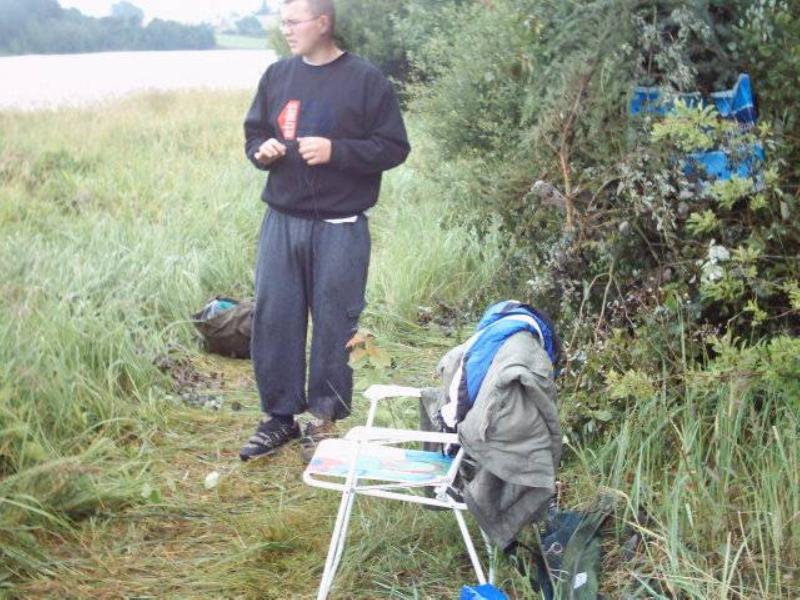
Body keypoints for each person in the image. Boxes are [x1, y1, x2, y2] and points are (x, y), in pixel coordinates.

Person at [239, 0, 410, 461]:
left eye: (293, 21)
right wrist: (262, 151)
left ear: (322, 22)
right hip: (282, 220)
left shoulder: (366, 80)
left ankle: (324, 420)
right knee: (275, 319)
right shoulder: (277, 76)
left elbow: (394, 147)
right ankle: (279, 418)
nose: (286, 29)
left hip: (341, 225)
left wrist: (338, 151)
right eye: (283, 22)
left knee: (336, 323)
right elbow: (254, 135)